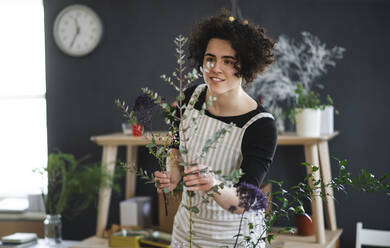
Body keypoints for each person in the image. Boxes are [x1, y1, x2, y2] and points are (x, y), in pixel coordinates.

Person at [154, 11, 277, 248]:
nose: (215, 68)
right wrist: (173, 172)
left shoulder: (260, 125)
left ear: (246, 65)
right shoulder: (191, 97)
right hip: (186, 233)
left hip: (234, 239)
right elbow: (174, 143)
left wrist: (213, 184)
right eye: (210, 58)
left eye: (228, 62)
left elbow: (245, 201)